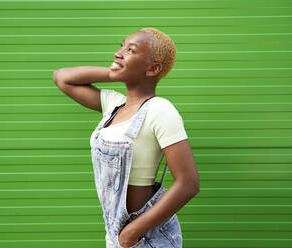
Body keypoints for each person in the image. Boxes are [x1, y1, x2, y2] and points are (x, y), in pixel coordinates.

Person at [53, 27, 199, 248]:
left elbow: (188, 184)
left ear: (152, 69)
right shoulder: (113, 104)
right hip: (115, 234)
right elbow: (62, 78)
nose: (118, 53)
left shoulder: (160, 110)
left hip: (145, 238)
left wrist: (131, 232)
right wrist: (112, 73)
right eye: (121, 46)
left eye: (130, 50)